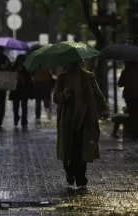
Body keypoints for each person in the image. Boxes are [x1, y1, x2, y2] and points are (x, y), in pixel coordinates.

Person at [53, 60, 110, 190]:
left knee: (81, 150)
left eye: (78, 62)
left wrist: (104, 109)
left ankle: (81, 179)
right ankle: (69, 172)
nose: (76, 65)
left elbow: (98, 94)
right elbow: (56, 98)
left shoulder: (88, 77)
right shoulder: (62, 78)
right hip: (67, 120)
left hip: (85, 118)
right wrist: (65, 94)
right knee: (68, 150)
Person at [118, 61, 138, 140]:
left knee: (132, 114)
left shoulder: (125, 71)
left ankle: (134, 133)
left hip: (129, 96)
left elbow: (120, 84)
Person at [8, 54, 33, 127]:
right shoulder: (13, 67)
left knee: (24, 106)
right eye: (19, 60)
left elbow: (29, 79)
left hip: (24, 90)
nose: (20, 62)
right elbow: (10, 76)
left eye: (22, 61)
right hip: (15, 90)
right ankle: (16, 118)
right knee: (16, 106)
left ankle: (24, 120)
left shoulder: (26, 68)